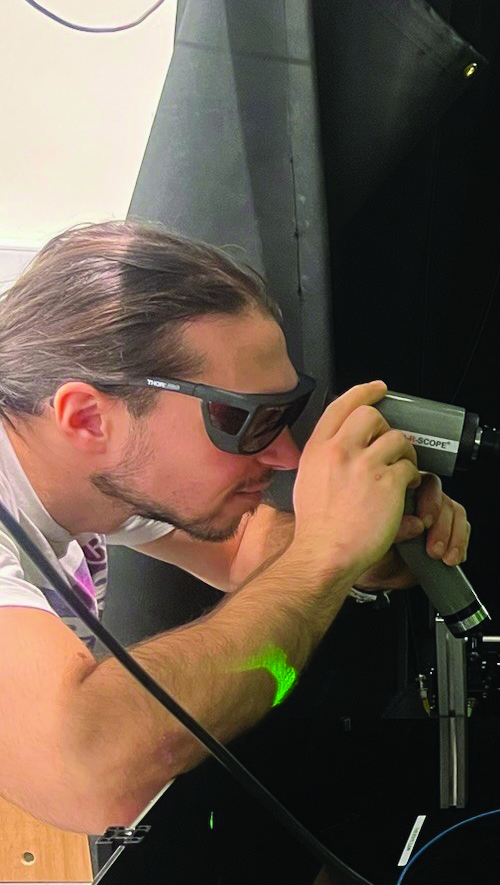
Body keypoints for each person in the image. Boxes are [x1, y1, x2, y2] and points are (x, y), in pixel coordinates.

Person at [0, 222, 471, 836]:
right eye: (242, 420)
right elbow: (91, 775)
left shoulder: (86, 474)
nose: (285, 457)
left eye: (286, 414)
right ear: (88, 418)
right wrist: (325, 555)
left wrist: (362, 541)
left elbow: (246, 548)